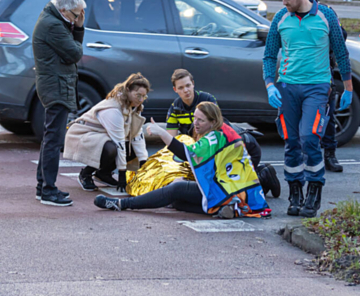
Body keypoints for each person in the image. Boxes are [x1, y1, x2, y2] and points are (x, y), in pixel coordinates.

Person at [264, 0, 353, 218]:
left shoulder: (326, 16)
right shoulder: (281, 19)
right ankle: (295, 192)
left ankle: (314, 189)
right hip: (288, 88)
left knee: (309, 137)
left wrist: (348, 87)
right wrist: (270, 84)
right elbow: (270, 54)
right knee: (292, 141)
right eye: (281, 0)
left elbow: (342, 54)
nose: (284, 4)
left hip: (317, 87)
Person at [93, 101, 270, 217]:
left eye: (201, 120)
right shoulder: (221, 129)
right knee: (177, 200)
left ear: (212, 121)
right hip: (237, 186)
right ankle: (225, 207)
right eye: (195, 119)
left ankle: (121, 204)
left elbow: (186, 153)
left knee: (176, 188)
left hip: (232, 189)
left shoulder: (214, 137)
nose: (196, 124)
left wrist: (162, 133)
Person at [32, 0, 86, 207]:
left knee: (50, 138)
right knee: (54, 140)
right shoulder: (54, 25)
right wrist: (79, 29)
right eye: (75, 15)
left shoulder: (52, 19)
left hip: (55, 84)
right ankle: (48, 190)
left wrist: (75, 24)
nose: (76, 19)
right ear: (63, 10)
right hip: (56, 85)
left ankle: (42, 186)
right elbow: (74, 53)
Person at [64, 73, 150, 192]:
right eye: (138, 95)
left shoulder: (134, 106)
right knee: (111, 149)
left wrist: (143, 163)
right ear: (128, 90)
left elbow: (136, 135)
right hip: (83, 135)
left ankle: (103, 174)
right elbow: (119, 141)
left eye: (144, 97)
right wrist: (121, 173)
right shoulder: (113, 109)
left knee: (131, 148)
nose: (140, 100)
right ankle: (85, 174)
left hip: (101, 135)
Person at [301, 0, 345, 174]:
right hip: (298, 76)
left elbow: (340, 36)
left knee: (327, 117)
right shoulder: (291, 12)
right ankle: (306, 155)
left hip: (323, 74)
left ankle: (330, 154)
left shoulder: (326, 12)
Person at [165, 69, 217, 139]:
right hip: (190, 143)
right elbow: (171, 139)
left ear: (193, 83)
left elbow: (218, 125)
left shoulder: (208, 99)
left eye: (188, 85)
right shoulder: (175, 107)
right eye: (180, 88)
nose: (186, 90)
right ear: (175, 89)